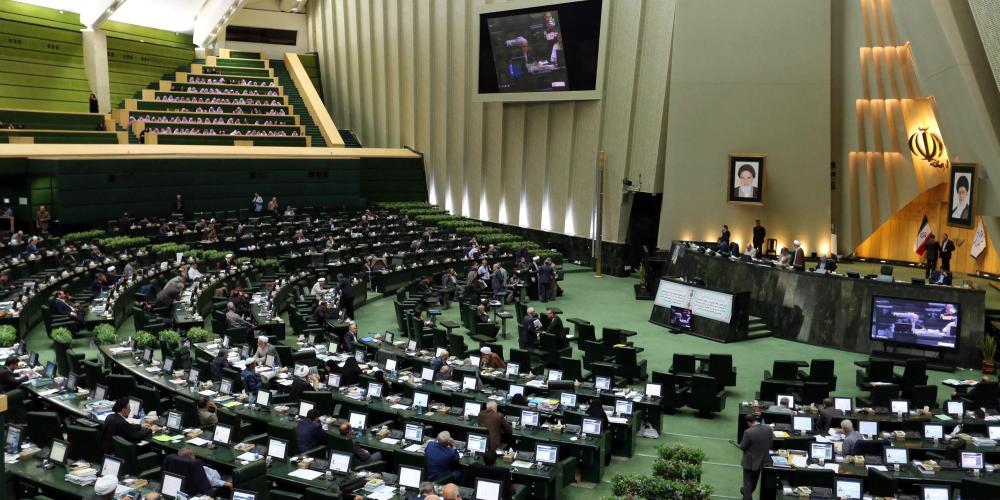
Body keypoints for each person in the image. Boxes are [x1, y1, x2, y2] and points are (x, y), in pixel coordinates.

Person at [738, 414, 773, 500]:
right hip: (762, 460)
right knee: (753, 483)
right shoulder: (768, 429)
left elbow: (743, 446)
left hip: (749, 462)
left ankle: (745, 492)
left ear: (748, 422)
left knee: (747, 485)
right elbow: (770, 443)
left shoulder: (748, 432)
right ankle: (745, 491)